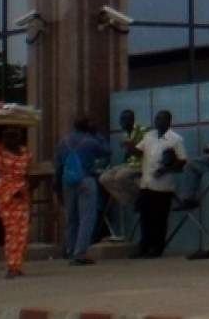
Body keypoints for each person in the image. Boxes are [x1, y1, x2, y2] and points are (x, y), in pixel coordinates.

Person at [54, 114, 111, 266]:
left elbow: (58, 166)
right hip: (86, 179)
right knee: (87, 217)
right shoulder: (91, 141)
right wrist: (97, 134)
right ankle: (80, 253)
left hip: (67, 182)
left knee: (71, 218)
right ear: (88, 127)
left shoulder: (63, 142)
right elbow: (107, 151)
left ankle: (71, 250)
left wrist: (57, 188)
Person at [128, 110, 186, 258]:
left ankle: (157, 248)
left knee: (159, 219)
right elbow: (139, 152)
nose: (157, 122)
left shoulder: (175, 139)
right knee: (145, 217)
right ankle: (144, 247)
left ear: (168, 121)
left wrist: (167, 169)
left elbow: (182, 160)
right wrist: (130, 146)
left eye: (161, 119)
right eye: (156, 119)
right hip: (146, 183)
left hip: (163, 185)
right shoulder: (149, 136)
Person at [0, 126, 31, 279]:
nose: (12, 140)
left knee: (22, 231)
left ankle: (17, 265)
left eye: (15, 136)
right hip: (6, 192)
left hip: (22, 192)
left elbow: (28, 172)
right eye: (9, 137)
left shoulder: (24, 152)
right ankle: (12, 266)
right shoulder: (0, 152)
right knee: (12, 230)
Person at [98, 108, 147, 239]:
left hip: (140, 163)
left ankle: (139, 198)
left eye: (126, 120)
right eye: (121, 120)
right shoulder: (126, 133)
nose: (123, 123)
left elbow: (143, 152)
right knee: (104, 178)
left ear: (132, 120)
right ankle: (129, 200)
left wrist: (130, 146)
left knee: (121, 176)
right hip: (128, 163)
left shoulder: (142, 131)